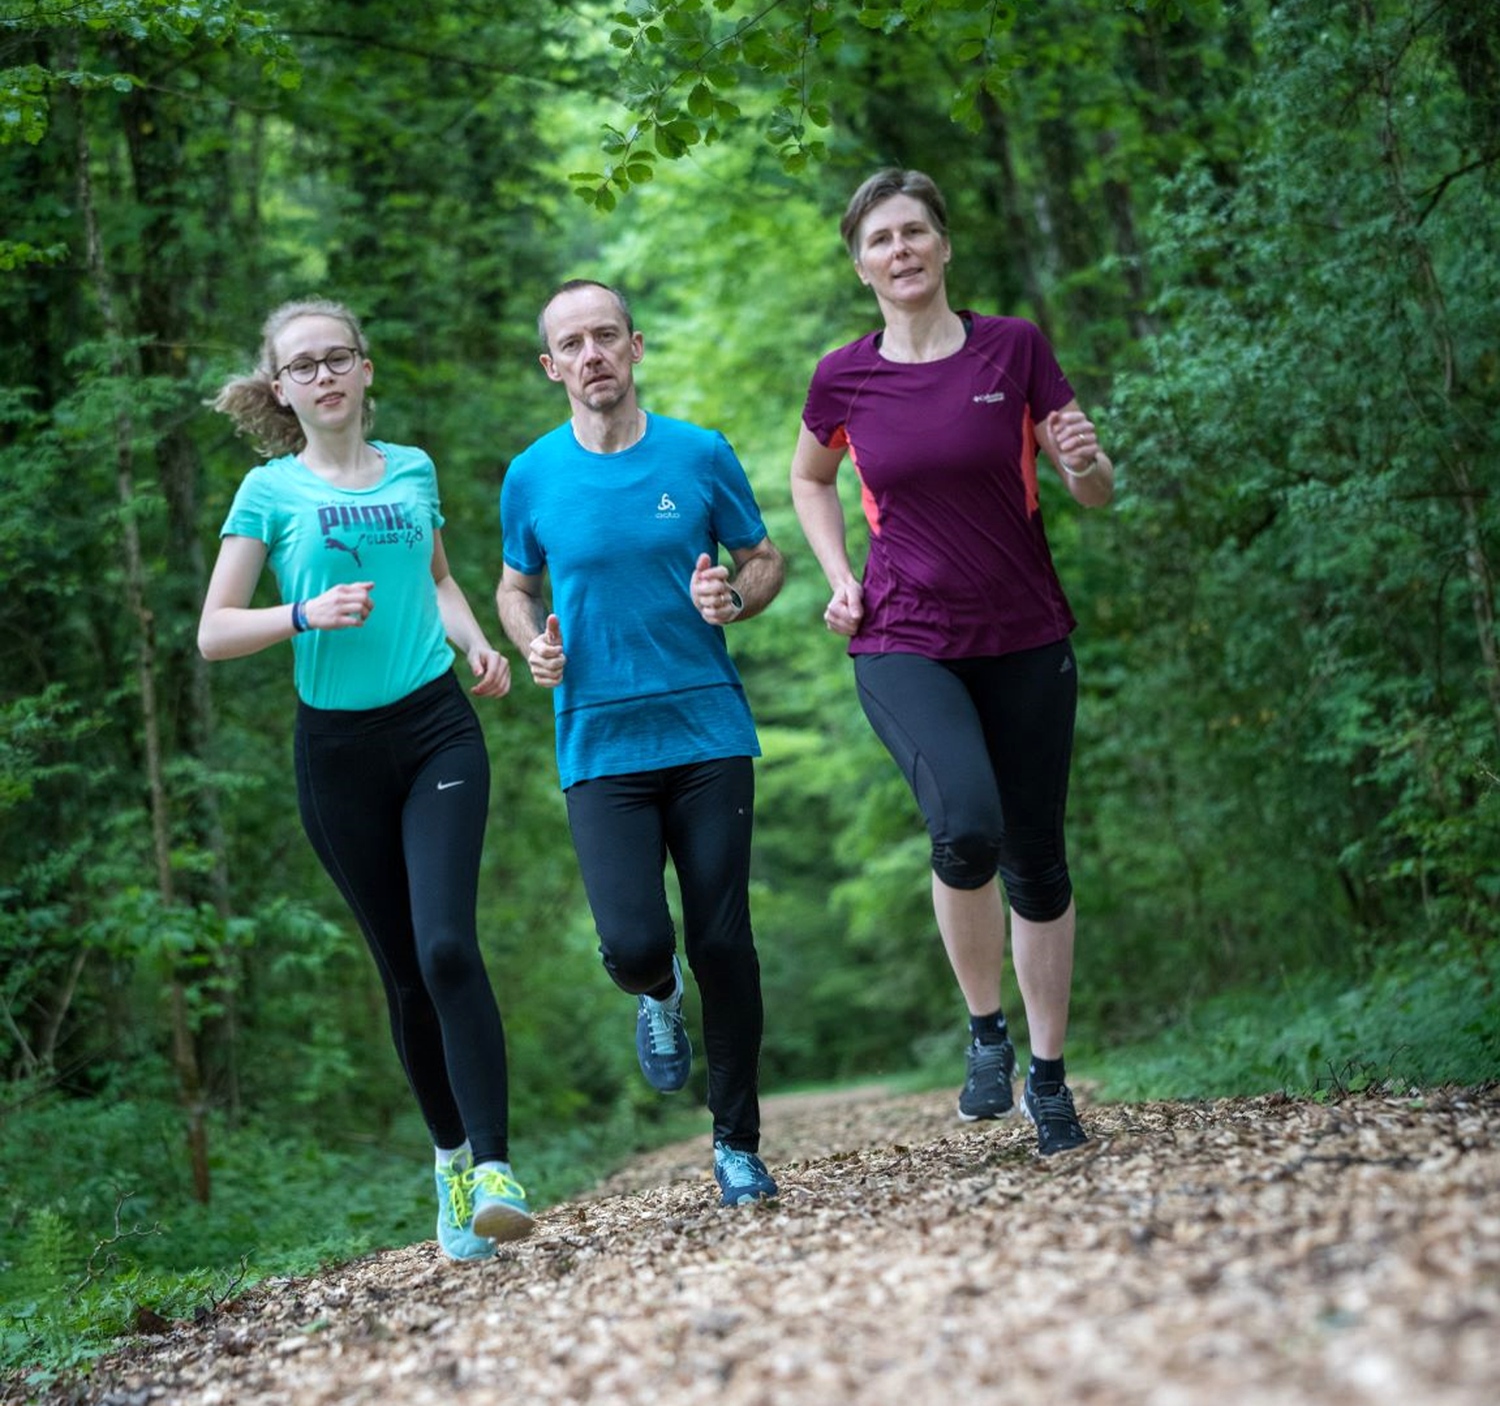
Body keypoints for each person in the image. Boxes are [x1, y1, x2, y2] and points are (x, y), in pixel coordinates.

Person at [198, 298, 535, 1259]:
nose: (325, 376)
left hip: (436, 727)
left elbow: (436, 580)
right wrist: (301, 613)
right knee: (402, 974)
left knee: (446, 949)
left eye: (338, 357)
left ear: (366, 369)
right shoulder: (268, 492)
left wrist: (476, 645)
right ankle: (451, 1163)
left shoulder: (414, 471)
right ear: (281, 389)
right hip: (338, 754)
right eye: (303, 366)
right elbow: (214, 632)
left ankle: (499, 1171)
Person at [789, 170, 1116, 1156]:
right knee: (964, 826)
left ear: (943, 245)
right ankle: (986, 1035)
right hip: (902, 635)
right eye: (881, 239)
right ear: (861, 265)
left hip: (1025, 632)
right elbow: (809, 477)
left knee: (1038, 855)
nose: (901, 250)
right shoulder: (843, 375)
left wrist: (1092, 461)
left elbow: (1090, 489)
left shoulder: (1013, 347)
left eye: (915, 232)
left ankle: (1049, 1079)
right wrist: (840, 573)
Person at [495, 279, 785, 1206]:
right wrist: (531, 639)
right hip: (598, 738)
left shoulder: (699, 454)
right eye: (572, 344)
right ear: (552, 367)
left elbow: (764, 555)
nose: (592, 355)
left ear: (635, 346)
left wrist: (735, 598)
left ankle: (736, 1142)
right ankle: (653, 996)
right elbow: (512, 585)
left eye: (606, 337)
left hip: (706, 728)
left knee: (724, 940)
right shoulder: (532, 475)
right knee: (632, 938)